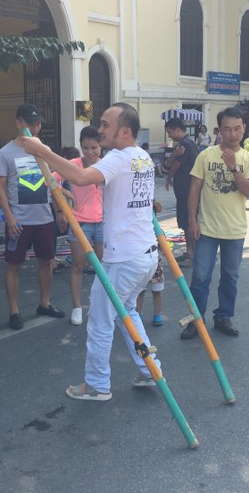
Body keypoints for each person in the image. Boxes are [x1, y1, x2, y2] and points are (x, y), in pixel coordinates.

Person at [22, 102, 160, 401]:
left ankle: (97, 384)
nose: (100, 129)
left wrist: (41, 149)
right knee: (128, 312)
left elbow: (81, 176)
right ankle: (150, 368)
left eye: (105, 124)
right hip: (144, 254)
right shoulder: (143, 157)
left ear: (124, 132)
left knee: (100, 319)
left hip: (123, 258)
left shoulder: (121, 158)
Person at [180, 107, 249, 339]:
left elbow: (247, 191)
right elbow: (194, 187)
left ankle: (223, 316)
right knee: (200, 277)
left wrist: (234, 167)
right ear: (220, 130)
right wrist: (192, 220)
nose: (233, 134)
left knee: (230, 278)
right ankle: (196, 319)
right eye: (227, 129)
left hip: (234, 231)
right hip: (206, 229)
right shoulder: (206, 155)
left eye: (237, 129)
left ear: (244, 129)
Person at [0, 103, 65, 330]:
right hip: (20, 220)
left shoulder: (42, 148)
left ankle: (44, 303)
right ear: (19, 123)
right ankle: (14, 311)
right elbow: (0, 188)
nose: (35, 128)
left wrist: (59, 211)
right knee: (13, 264)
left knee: (47, 262)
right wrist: (10, 218)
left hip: (44, 218)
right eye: (30, 124)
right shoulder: (5, 153)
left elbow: (53, 181)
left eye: (38, 124)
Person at [53, 126, 104, 326]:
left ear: (101, 146)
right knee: (78, 266)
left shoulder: (107, 164)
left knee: (103, 268)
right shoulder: (73, 164)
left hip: (103, 222)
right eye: (85, 148)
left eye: (94, 148)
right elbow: (51, 181)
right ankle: (76, 307)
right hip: (80, 222)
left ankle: (100, 306)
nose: (90, 152)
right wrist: (67, 195)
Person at [164, 117, 199, 267]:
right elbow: (167, 163)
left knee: (189, 223)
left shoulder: (185, 144)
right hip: (184, 191)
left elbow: (173, 165)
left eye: (170, 132)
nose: (169, 135)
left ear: (177, 130)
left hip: (188, 191)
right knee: (185, 223)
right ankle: (189, 251)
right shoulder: (185, 144)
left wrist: (168, 178)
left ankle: (192, 254)